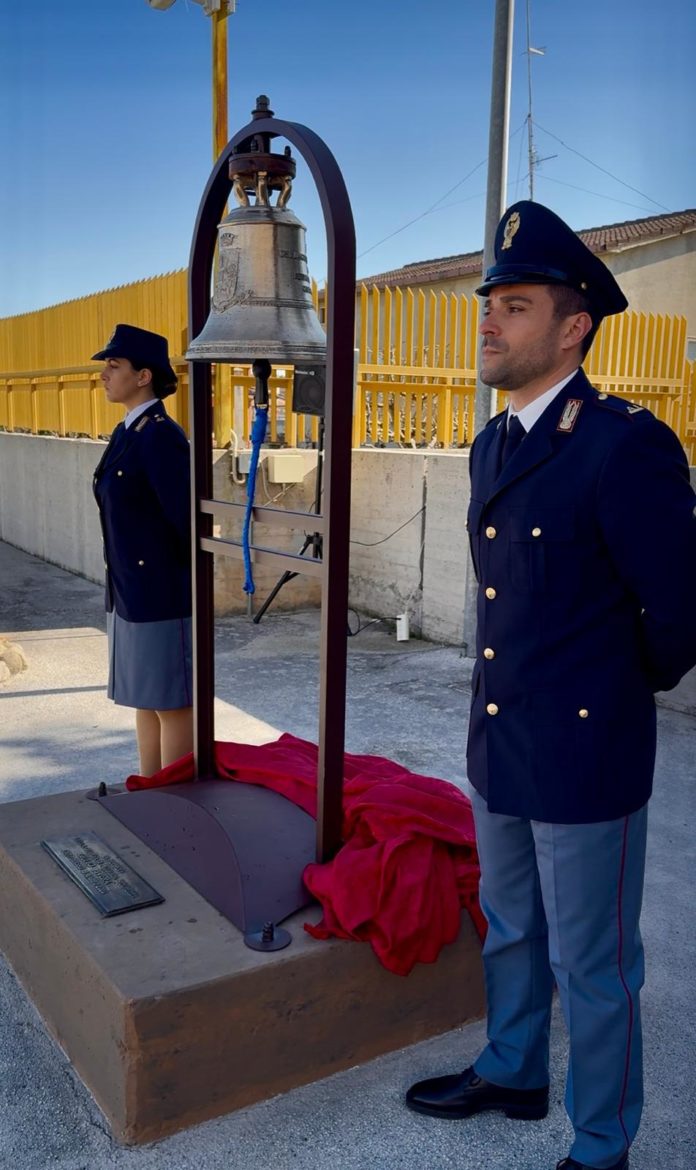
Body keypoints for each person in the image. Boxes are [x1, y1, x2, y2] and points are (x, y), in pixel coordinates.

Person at [405, 201, 696, 1170]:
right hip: (504, 743)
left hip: (586, 753)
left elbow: (679, 611)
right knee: (511, 928)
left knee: (596, 965)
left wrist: (614, 695)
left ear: (574, 328)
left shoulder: (624, 443)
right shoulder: (495, 444)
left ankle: (604, 1141)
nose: (488, 320)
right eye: (490, 303)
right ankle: (514, 1067)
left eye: (515, 305)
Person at [92, 324, 193, 776]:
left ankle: (175, 801)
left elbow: (184, 519)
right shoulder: (127, 431)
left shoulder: (161, 436)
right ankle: (151, 790)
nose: (104, 375)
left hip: (160, 593)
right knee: (146, 699)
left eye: (115, 366)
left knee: (171, 703)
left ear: (144, 376)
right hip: (130, 589)